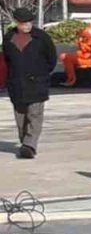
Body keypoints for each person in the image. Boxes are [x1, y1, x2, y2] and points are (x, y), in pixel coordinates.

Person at [2, 8, 57, 159]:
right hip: (16, 83)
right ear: (16, 22)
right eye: (23, 22)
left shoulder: (42, 37)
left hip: (37, 82)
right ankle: (25, 142)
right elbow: (7, 61)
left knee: (35, 114)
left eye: (29, 22)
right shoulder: (8, 38)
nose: (27, 25)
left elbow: (52, 58)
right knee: (21, 116)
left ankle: (30, 144)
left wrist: (43, 73)